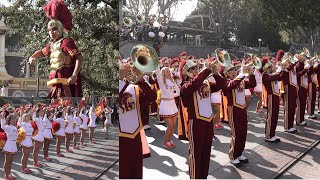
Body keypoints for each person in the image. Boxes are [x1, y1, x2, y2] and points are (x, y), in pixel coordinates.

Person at [179, 57, 227, 178]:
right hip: (196, 122)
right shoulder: (185, 86)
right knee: (196, 154)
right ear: (186, 71)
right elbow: (194, 84)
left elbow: (222, 84)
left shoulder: (205, 82)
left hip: (208, 122)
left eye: (197, 68)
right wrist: (206, 70)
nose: (196, 70)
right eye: (193, 68)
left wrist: (215, 73)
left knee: (206, 153)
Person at [28, 0, 83, 97]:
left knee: (66, 106)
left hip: (65, 85)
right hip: (55, 84)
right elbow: (41, 52)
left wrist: (74, 75)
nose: (51, 32)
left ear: (60, 30)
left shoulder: (66, 42)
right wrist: (32, 57)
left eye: (54, 29)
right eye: (50, 30)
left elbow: (79, 57)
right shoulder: (51, 45)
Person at [119, 61, 156, 179]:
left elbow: (152, 97)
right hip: (120, 136)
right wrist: (120, 79)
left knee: (136, 170)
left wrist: (141, 80)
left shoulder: (133, 87)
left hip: (134, 134)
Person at [219, 59, 256, 167]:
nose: (233, 71)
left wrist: (251, 73)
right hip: (233, 109)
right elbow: (232, 85)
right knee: (236, 133)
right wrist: (241, 74)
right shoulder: (226, 82)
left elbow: (252, 83)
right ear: (226, 73)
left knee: (243, 132)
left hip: (242, 108)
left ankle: (239, 153)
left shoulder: (240, 80)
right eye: (230, 70)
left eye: (234, 69)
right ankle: (233, 155)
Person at [156, 64, 180, 149]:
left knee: (173, 125)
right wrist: (156, 64)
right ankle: (165, 142)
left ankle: (169, 140)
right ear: (163, 73)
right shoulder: (161, 81)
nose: (169, 72)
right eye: (166, 71)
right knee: (170, 125)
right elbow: (158, 73)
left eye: (169, 71)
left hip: (172, 104)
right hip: (165, 104)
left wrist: (171, 95)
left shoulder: (172, 81)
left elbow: (178, 92)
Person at [261, 57, 283, 142]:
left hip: (275, 96)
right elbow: (275, 77)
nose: (271, 68)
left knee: (275, 116)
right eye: (269, 67)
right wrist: (280, 68)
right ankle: (268, 135)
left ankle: (272, 133)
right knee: (271, 116)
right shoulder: (265, 75)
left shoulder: (271, 74)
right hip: (270, 97)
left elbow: (280, 77)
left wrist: (282, 69)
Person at [1, 113, 18, 180]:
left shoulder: (14, 127)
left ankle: (9, 173)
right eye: (12, 119)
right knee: (7, 161)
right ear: (9, 120)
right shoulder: (7, 127)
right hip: (9, 144)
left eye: (14, 119)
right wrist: (2, 118)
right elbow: (2, 127)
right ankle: (6, 174)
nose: (14, 120)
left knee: (11, 161)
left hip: (13, 144)